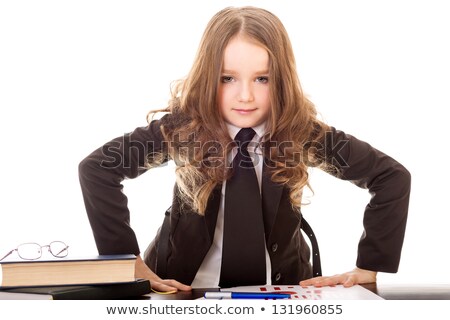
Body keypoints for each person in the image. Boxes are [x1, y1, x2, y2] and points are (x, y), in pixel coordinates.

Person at [78, 6, 410, 293]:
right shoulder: (181, 128)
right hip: (183, 290)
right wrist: (127, 264)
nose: (246, 95)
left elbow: (390, 177)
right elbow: (98, 169)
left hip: (283, 294)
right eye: (228, 78)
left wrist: (369, 268)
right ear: (209, 77)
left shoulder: (301, 132)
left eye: (262, 79)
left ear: (281, 80)